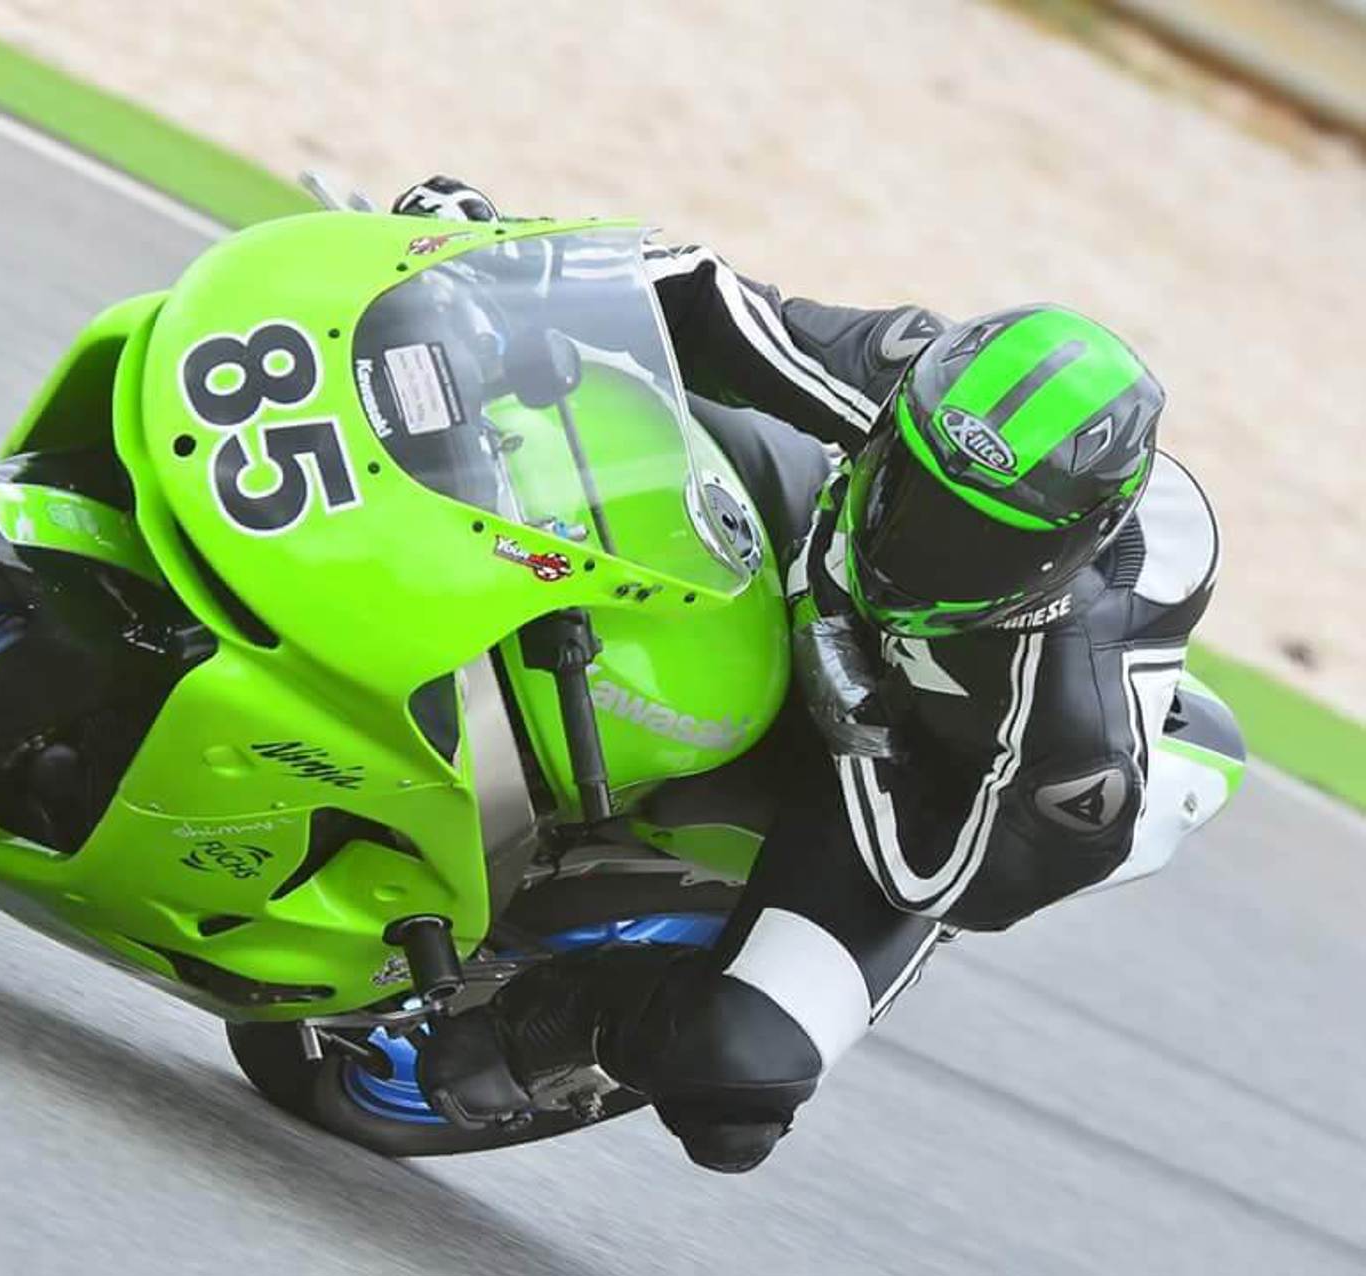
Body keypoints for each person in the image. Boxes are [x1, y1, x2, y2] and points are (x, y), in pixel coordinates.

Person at [392, 177, 1229, 1172]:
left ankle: (580, 1017)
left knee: (736, 1084)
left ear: (1065, 554)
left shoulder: (1073, 725)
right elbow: (713, 305)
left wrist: (862, 719)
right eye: (913, 486)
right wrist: (496, 263)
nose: (917, 545)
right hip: (806, 558)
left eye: (972, 543)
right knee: (561, 404)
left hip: (919, 773)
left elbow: (947, 877)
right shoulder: (916, 378)